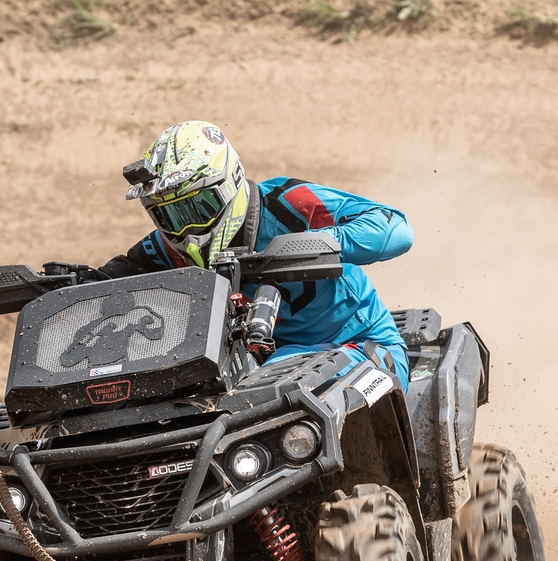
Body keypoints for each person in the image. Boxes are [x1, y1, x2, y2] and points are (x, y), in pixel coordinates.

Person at [96, 121, 414, 389]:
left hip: (358, 345)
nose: (185, 228)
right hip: (256, 366)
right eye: (169, 215)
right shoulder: (165, 247)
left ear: (228, 183)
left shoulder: (287, 203)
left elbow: (397, 229)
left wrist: (320, 242)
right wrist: (72, 282)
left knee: (276, 393)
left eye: (197, 207)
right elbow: (107, 280)